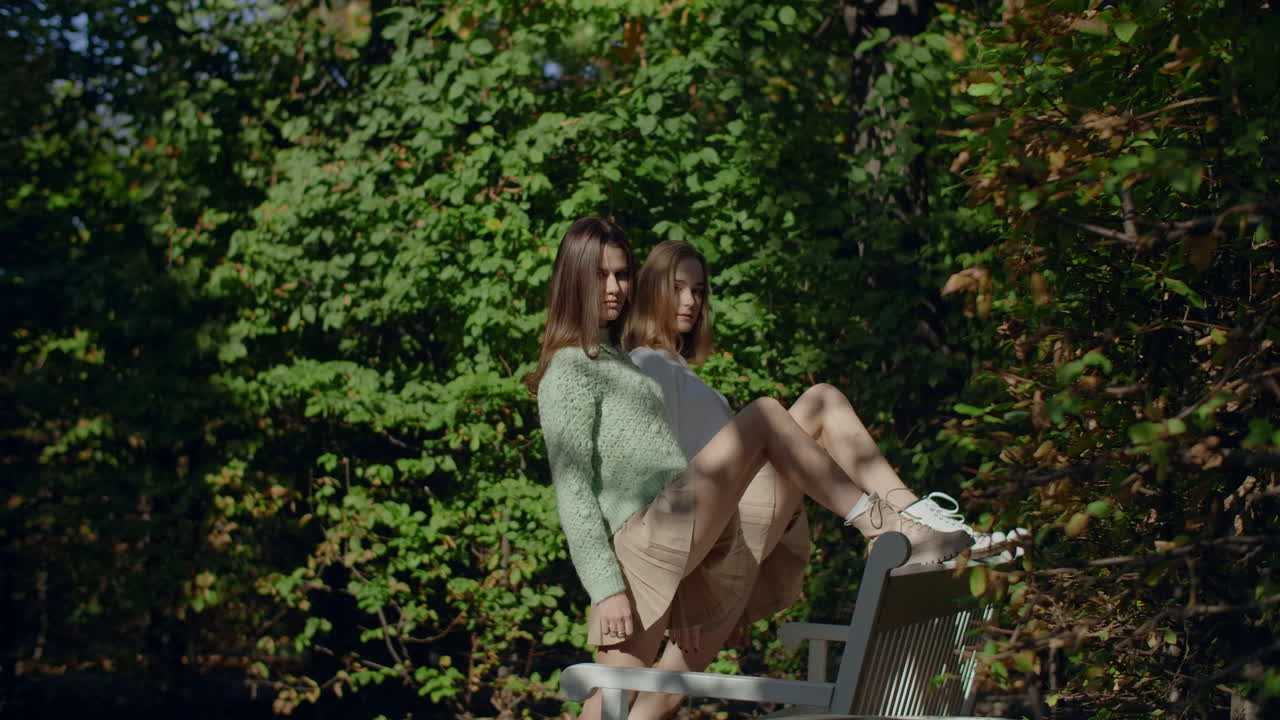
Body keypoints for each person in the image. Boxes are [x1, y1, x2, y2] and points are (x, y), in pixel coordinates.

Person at [529, 218, 973, 720]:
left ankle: (894, 522)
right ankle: (881, 524)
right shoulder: (567, 369)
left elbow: (665, 464)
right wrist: (606, 589)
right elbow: (574, 494)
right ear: (572, 279)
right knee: (612, 695)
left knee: (624, 702)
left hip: (668, 535)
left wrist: (692, 591)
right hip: (637, 541)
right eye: (599, 276)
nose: (613, 288)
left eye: (622, 275)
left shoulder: (618, 362)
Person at [617, 240, 1018, 717]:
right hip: (702, 553)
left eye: (699, 291)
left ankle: (914, 519)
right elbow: (661, 487)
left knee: (665, 690)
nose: (690, 302)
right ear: (649, 294)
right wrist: (681, 599)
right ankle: (899, 520)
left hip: (732, 545)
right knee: (662, 692)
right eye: (677, 288)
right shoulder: (644, 367)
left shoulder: (685, 374)